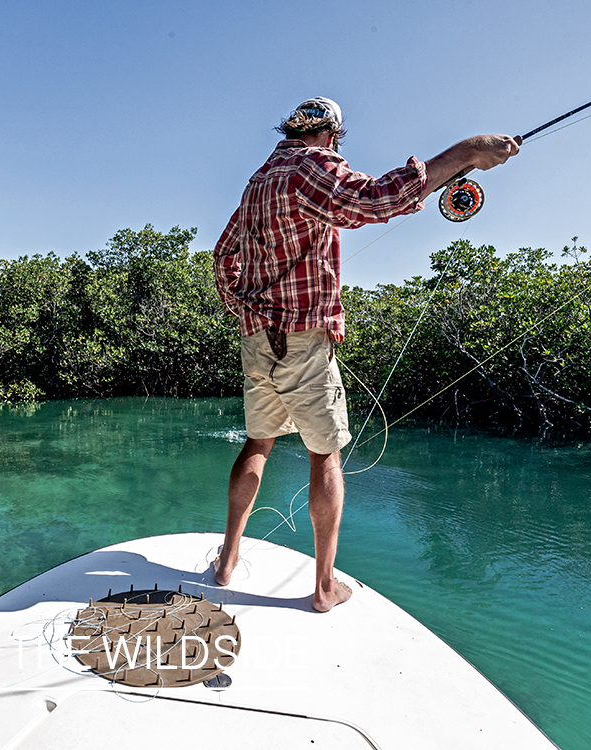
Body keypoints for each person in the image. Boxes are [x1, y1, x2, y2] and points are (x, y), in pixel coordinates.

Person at [212, 97, 518, 612]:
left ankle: (227, 561)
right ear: (332, 135)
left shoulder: (258, 181)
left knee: (258, 444)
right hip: (305, 338)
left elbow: (225, 257)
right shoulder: (311, 166)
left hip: (257, 340)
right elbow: (378, 199)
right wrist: (466, 151)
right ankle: (324, 589)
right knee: (324, 457)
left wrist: (244, 308)